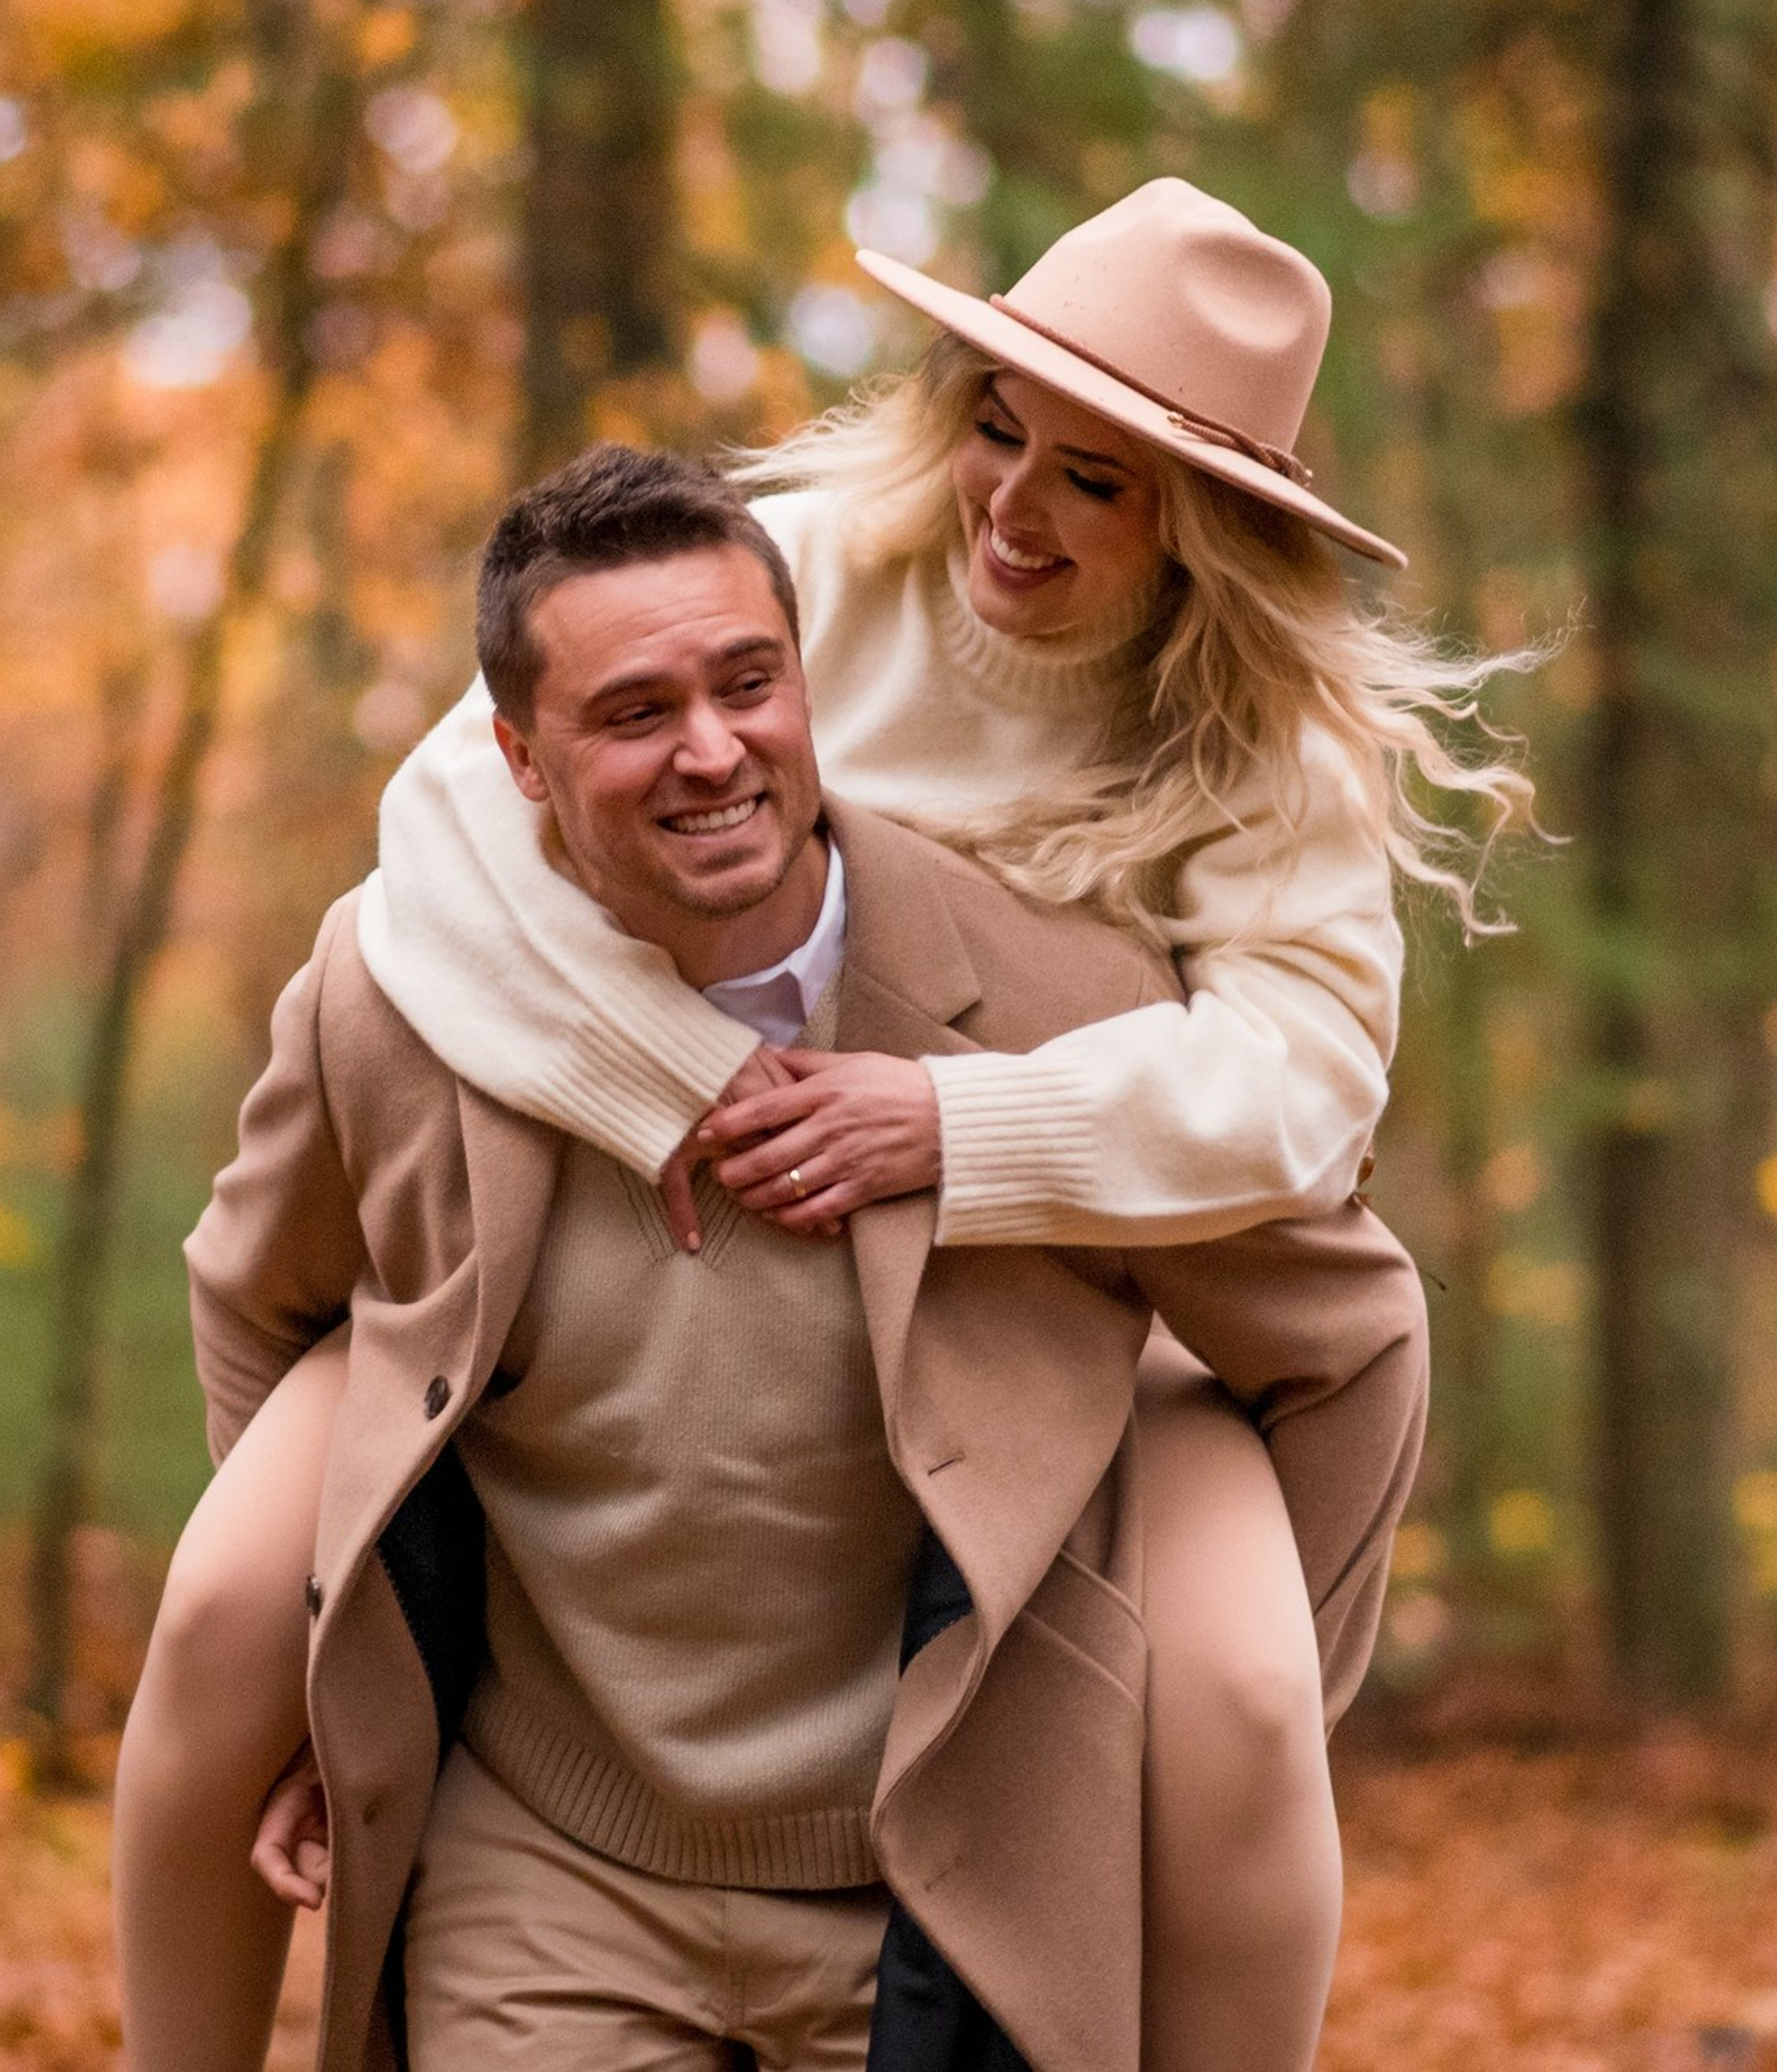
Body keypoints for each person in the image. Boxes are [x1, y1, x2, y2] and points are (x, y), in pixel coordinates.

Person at [115, 177, 1513, 2066]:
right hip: (654, 1215)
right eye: (999, 432)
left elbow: (1303, 1099)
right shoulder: (801, 569)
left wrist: (956, 1132)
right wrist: (681, 1096)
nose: (1014, 509)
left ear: (1209, 526)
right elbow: (446, 832)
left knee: (1246, 1706)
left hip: (1079, 1276)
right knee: (223, 1614)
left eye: (1098, 482)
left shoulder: (1264, 752)